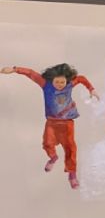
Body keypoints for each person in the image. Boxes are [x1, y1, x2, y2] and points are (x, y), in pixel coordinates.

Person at [1, 62, 99, 190]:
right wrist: (14, 69)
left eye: (62, 82)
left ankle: (72, 174)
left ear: (66, 81)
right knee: (47, 143)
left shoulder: (70, 85)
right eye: (57, 82)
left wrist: (91, 89)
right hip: (52, 123)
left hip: (67, 123)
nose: (59, 85)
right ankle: (53, 157)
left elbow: (81, 79)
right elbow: (31, 73)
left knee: (70, 148)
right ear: (52, 80)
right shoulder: (45, 84)